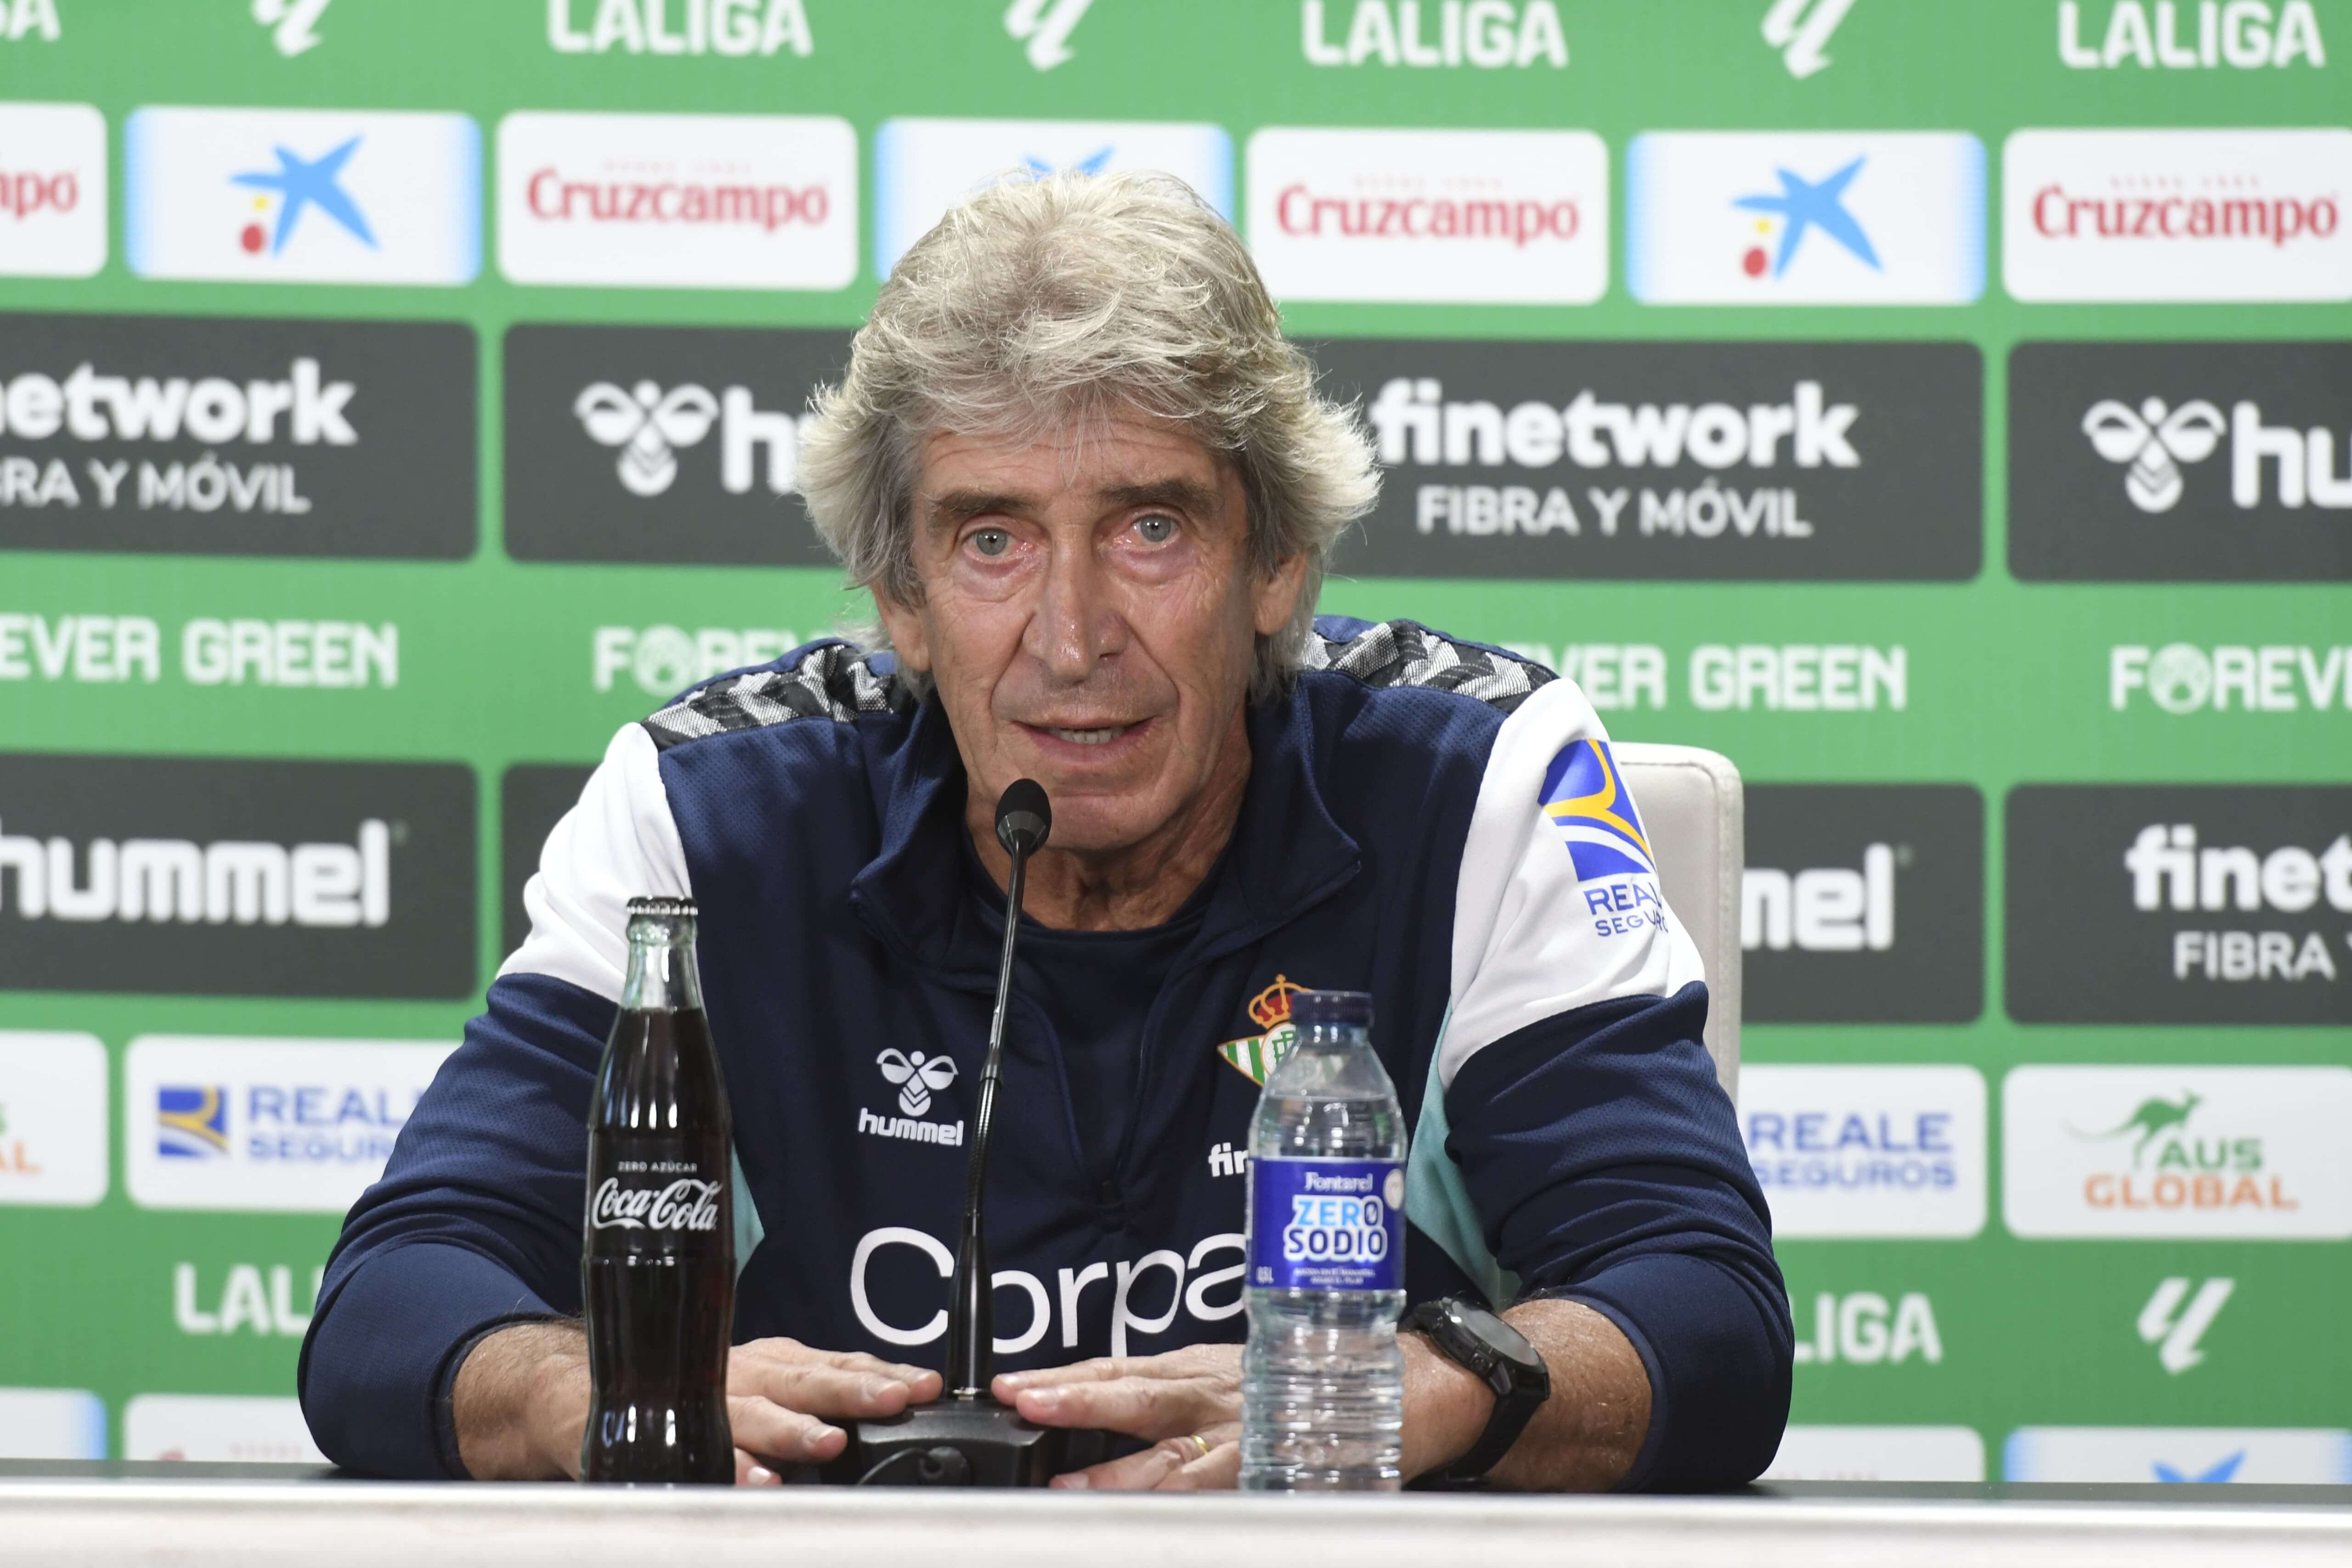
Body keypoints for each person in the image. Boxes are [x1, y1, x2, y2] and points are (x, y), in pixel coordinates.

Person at [299, 171, 1789, 1491]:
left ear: (1275, 559)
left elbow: (1701, 1308)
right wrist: (610, 1396)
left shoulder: (1479, 781)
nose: (1072, 640)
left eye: (1151, 528)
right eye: (992, 539)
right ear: (901, 594)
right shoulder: (710, 817)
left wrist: (1397, 1393)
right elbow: (397, 1302)